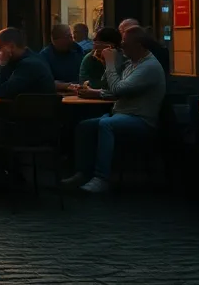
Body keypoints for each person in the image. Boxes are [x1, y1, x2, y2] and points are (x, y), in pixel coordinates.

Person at [65, 26, 167, 194]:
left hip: (141, 119)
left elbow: (118, 89)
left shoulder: (148, 67)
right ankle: (83, 173)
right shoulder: (133, 63)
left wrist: (110, 63)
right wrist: (97, 91)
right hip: (123, 114)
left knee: (107, 125)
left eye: (125, 44)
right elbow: (116, 89)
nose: (121, 47)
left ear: (138, 45)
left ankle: (101, 178)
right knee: (85, 126)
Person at [0, 28, 55, 99]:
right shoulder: (29, 59)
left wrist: (1, 64)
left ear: (11, 46)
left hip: (34, 106)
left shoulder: (29, 65)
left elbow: (2, 92)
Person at [39, 23, 85, 92]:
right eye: (67, 37)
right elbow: (44, 82)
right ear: (54, 40)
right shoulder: (44, 56)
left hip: (80, 91)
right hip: (58, 93)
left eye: (71, 36)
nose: (71, 40)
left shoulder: (77, 49)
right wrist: (67, 86)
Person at [77, 27, 121, 91]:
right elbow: (85, 83)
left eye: (97, 42)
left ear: (111, 45)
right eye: (94, 41)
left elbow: (120, 86)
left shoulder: (122, 58)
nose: (94, 44)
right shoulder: (90, 58)